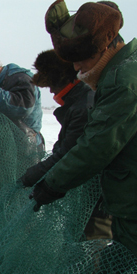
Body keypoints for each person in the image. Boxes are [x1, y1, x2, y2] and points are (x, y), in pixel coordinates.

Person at [32, 0, 137, 257]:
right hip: (125, 199)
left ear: (103, 48)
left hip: (131, 202)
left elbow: (97, 145)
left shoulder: (122, 80)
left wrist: (52, 184)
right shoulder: (122, 71)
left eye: (80, 60)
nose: (77, 69)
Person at [21, 49, 112, 240]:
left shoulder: (82, 105)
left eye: (51, 85)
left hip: (101, 197)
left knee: (88, 247)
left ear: (61, 78)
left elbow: (69, 152)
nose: (51, 91)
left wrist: (37, 176)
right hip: (88, 194)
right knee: (78, 240)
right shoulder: (76, 100)